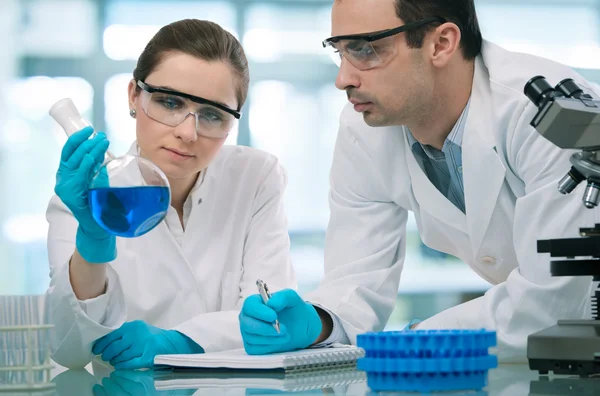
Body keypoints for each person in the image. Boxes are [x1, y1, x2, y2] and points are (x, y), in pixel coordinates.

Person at [238, 0, 600, 362]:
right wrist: (319, 323)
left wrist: (418, 339)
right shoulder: (364, 129)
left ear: (441, 43)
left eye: (366, 49)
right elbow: (356, 283)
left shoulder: (548, 113)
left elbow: (553, 298)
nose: (342, 79)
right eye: (341, 52)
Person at [45, 18, 296, 370]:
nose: (188, 133)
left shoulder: (255, 178)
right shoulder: (87, 200)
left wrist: (179, 341)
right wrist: (92, 242)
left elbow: (274, 320)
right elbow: (68, 351)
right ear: (134, 96)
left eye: (212, 114)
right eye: (170, 103)